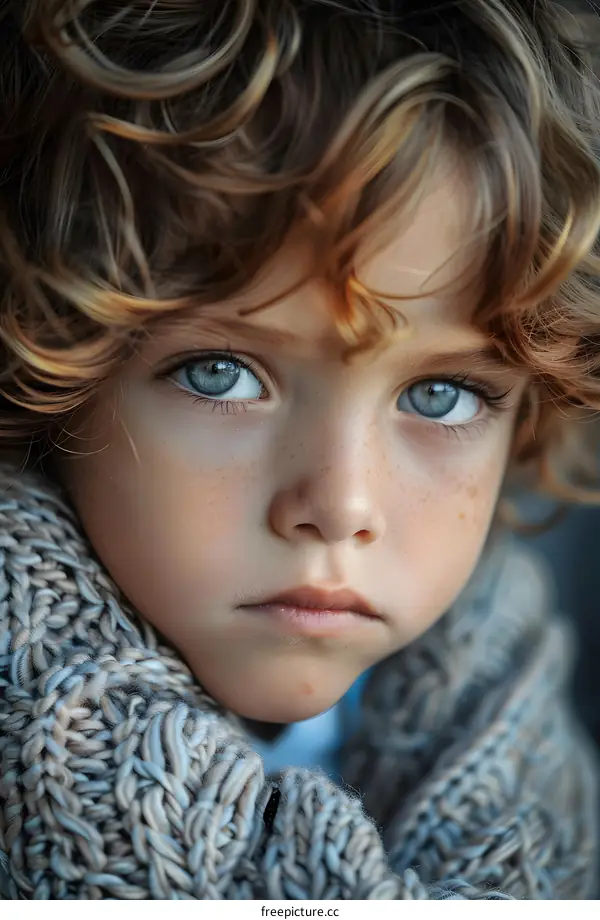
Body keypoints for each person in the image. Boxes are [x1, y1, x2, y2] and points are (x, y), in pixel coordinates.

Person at [0, 0, 599, 900]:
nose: (341, 503)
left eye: (441, 394)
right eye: (220, 375)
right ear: (57, 367)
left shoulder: (515, 731)